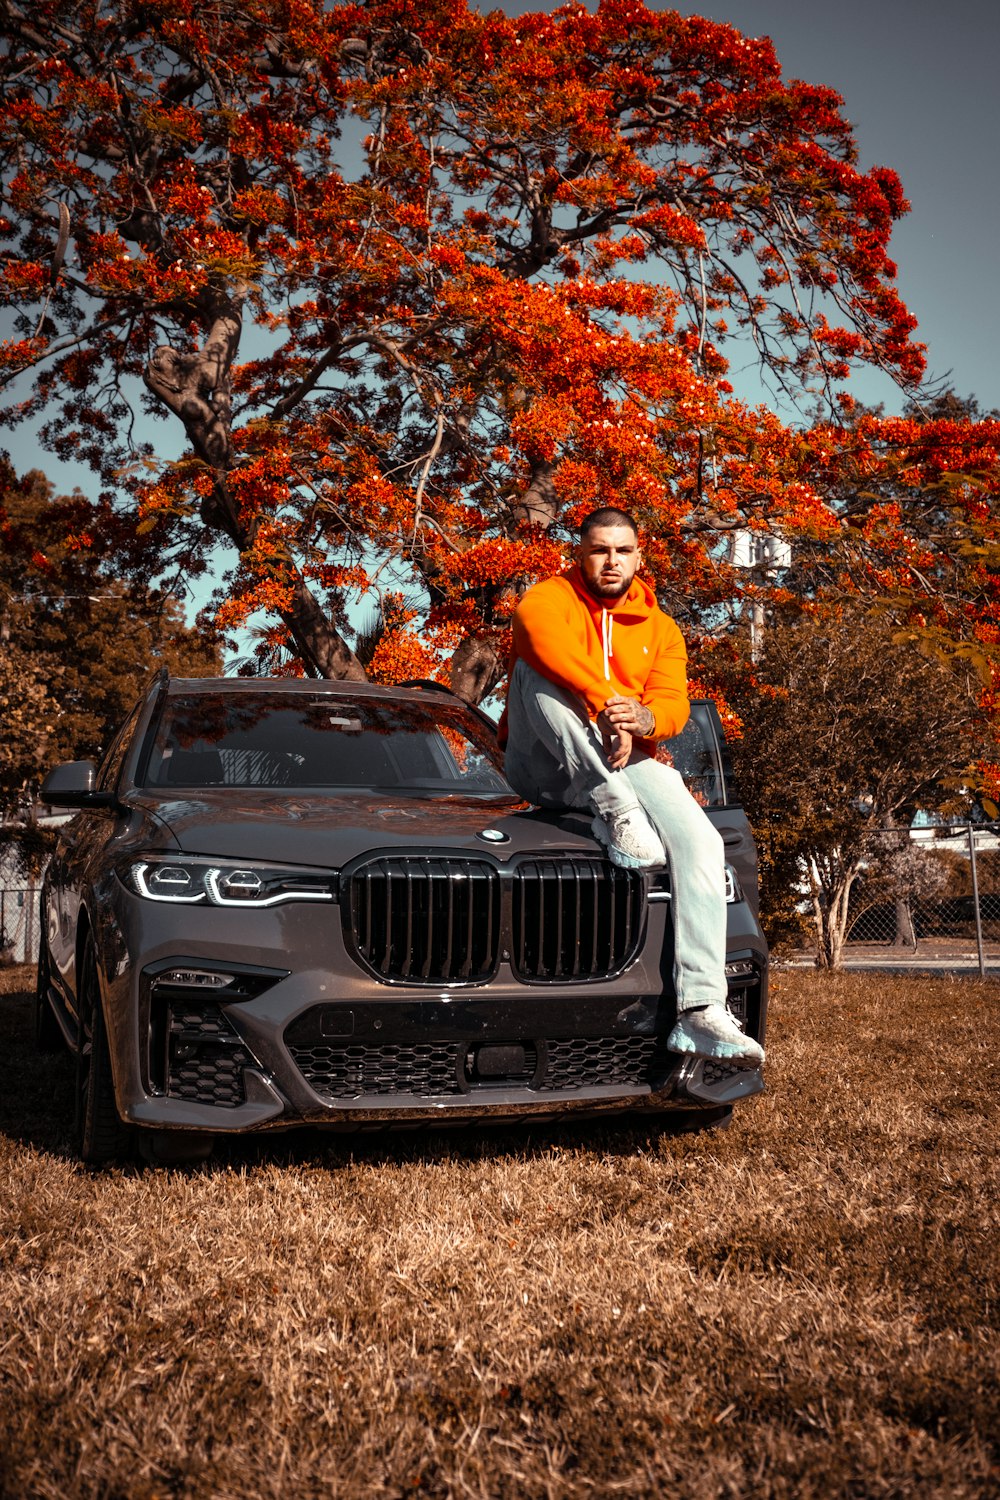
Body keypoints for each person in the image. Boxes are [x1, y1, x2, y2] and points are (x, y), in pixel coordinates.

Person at [498, 506, 765, 1067]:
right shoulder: (550, 597)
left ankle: (701, 1013)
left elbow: (671, 703)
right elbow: (534, 633)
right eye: (599, 549)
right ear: (581, 554)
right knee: (532, 668)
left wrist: (642, 721)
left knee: (703, 842)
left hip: (623, 756)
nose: (611, 560)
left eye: (622, 550)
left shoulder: (663, 629)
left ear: (639, 557)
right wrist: (607, 706)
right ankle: (617, 810)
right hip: (546, 755)